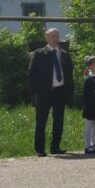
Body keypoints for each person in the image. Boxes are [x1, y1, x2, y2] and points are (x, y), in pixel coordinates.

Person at [28, 27, 74, 157]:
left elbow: (69, 76)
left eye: (57, 36)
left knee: (58, 121)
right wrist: (35, 94)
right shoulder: (39, 54)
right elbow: (32, 75)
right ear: (47, 38)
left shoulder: (64, 54)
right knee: (41, 121)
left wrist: (69, 94)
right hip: (44, 93)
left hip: (60, 91)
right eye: (52, 36)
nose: (55, 39)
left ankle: (55, 147)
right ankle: (40, 149)